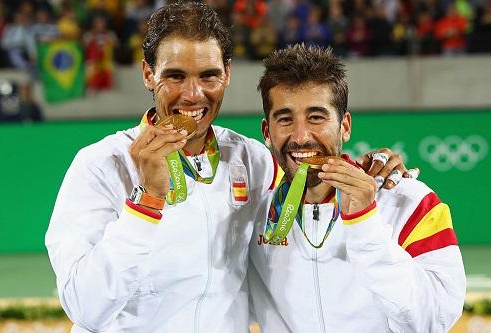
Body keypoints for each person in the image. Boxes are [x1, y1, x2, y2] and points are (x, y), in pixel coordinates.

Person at [45, 2, 413, 332]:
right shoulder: (99, 165)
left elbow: (309, 168)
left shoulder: (250, 159)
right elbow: (86, 309)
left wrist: (378, 166)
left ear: (227, 74)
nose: (193, 94)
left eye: (208, 75)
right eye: (175, 76)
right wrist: (146, 203)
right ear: (147, 74)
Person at [248, 44, 466, 332]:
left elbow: (433, 319)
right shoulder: (252, 215)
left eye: (317, 117)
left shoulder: (411, 203)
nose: (301, 137)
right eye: (286, 119)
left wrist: (365, 224)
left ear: (345, 126)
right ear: (267, 132)